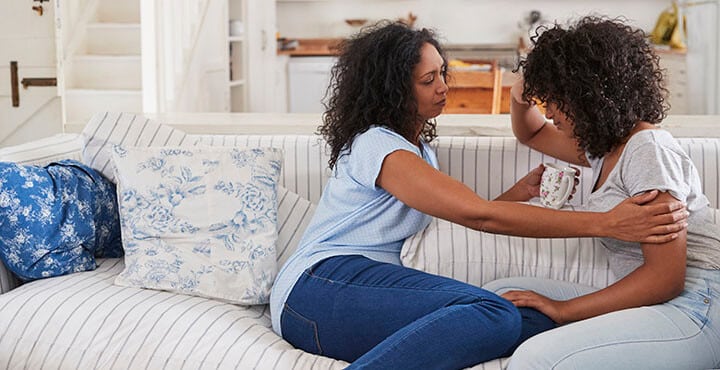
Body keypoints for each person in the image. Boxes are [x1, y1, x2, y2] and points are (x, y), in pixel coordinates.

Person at [269, 21, 689, 370]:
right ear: (393, 90)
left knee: (528, 317)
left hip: (351, 305)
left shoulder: (419, 152)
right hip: (320, 285)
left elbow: (459, 214)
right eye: (428, 79)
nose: (443, 87)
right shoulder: (379, 146)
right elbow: (478, 216)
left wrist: (515, 195)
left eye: (443, 74)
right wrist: (605, 221)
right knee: (496, 313)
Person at [484, 16, 720, 369]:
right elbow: (531, 134)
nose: (548, 112)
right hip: (660, 302)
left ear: (588, 94)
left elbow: (665, 279)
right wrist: (520, 94)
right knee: (499, 295)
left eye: (555, 100)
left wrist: (563, 311)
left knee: (538, 358)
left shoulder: (647, 150)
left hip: (697, 302)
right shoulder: (605, 148)